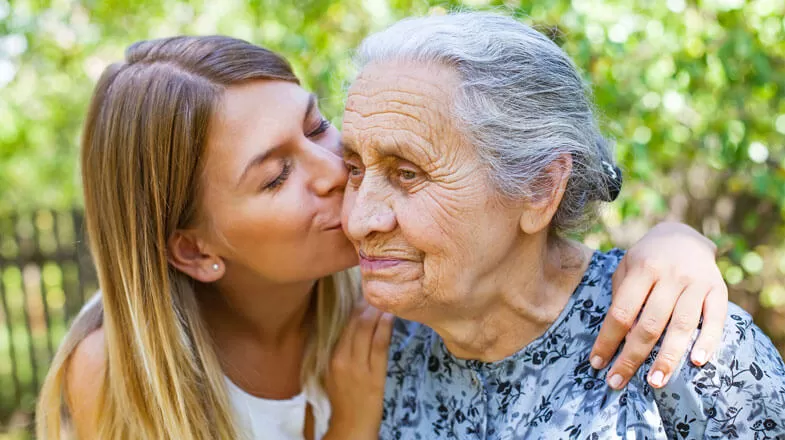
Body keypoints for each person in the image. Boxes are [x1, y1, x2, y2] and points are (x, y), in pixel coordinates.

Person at [37, 35, 728, 440]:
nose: (337, 174)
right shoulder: (122, 373)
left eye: (314, 128)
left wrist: (676, 242)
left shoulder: (400, 287)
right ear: (193, 250)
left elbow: (518, 228)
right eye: (276, 176)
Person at [341, 12, 785, 439]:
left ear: (539, 188)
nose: (360, 219)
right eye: (355, 169)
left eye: (408, 174)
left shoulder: (687, 343)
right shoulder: (372, 350)